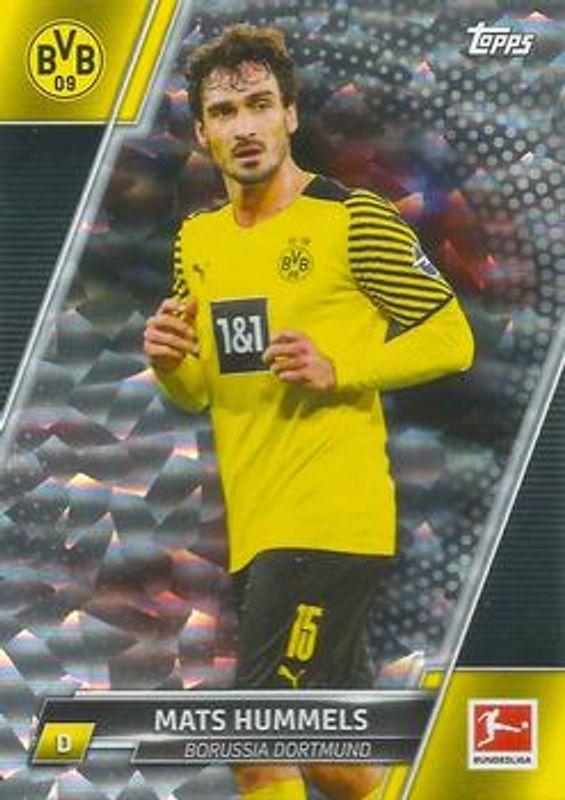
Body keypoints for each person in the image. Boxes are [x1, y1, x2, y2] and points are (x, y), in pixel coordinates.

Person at [143, 23, 474, 800]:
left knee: (258, 741)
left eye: (260, 104)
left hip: (329, 518)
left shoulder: (352, 218)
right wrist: (168, 362)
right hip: (258, 528)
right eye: (224, 112)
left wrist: (341, 367)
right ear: (202, 132)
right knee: (334, 760)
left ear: (289, 115)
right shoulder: (198, 240)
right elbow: (202, 389)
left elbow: (452, 338)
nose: (244, 126)